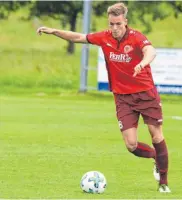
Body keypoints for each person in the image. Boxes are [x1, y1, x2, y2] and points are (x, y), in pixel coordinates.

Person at [37, 2, 171, 193]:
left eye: (118, 24)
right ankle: (155, 158)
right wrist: (53, 31)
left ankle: (163, 183)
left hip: (145, 93)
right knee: (131, 145)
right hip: (122, 98)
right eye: (111, 24)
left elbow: (151, 51)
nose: (114, 28)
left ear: (125, 21)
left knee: (156, 134)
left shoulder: (136, 37)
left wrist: (143, 62)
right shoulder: (104, 37)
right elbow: (78, 37)